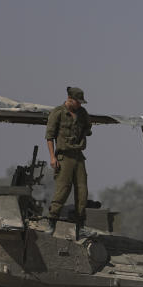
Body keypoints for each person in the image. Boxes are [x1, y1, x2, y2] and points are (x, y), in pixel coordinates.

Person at [45, 86, 93, 227]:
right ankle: (52, 220)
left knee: (82, 190)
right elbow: (49, 136)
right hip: (64, 157)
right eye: (77, 102)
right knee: (63, 189)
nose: (79, 105)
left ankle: (80, 224)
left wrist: (83, 136)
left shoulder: (82, 113)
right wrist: (52, 157)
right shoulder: (58, 113)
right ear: (69, 100)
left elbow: (88, 128)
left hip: (78, 156)